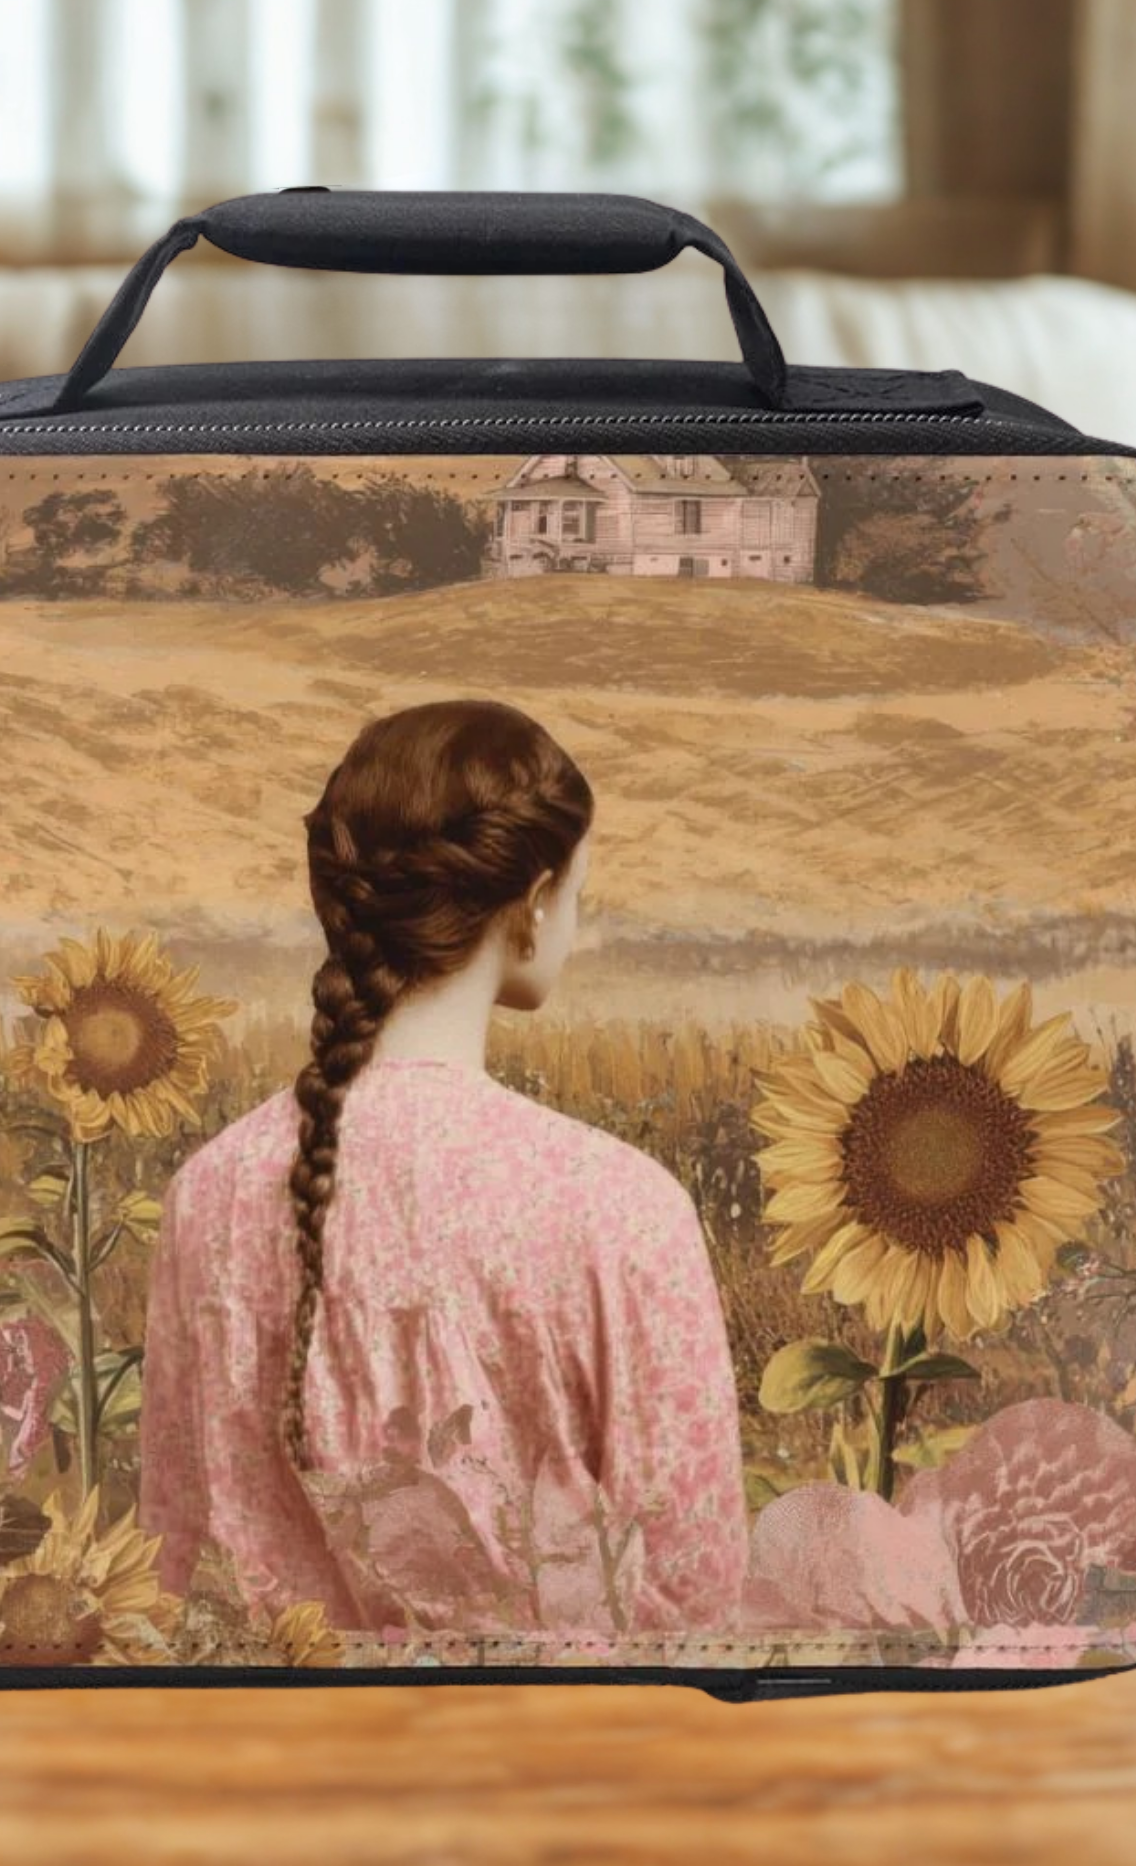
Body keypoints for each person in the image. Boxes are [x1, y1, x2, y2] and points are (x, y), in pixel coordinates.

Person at [138, 698, 747, 1642]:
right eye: (579, 893)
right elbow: (692, 1588)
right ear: (537, 901)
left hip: (269, 1769)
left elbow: (171, 1562)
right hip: (539, 1770)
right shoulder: (621, 1208)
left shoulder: (206, 1194)